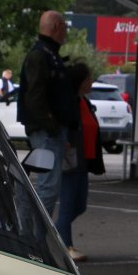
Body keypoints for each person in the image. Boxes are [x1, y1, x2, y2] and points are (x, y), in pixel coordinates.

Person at [18, 9, 76, 215]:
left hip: (51, 130)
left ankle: (33, 229)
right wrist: (52, 127)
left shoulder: (49, 54)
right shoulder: (40, 56)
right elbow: (35, 98)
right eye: (64, 27)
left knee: (48, 186)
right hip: (46, 131)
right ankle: (36, 231)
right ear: (57, 27)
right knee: (48, 187)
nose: (66, 32)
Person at [56, 62, 104, 262]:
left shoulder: (83, 101)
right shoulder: (70, 103)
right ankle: (65, 246)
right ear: (80, 81)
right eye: (88, 78)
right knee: (68, 204)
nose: (91, 81)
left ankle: (55, 235)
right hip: (72, 158)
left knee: (79, 205)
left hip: (84, 160)